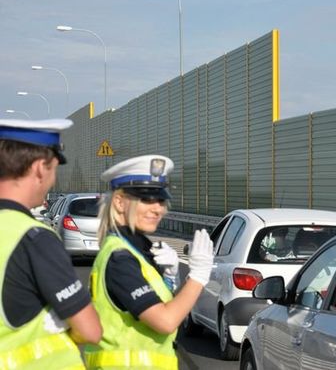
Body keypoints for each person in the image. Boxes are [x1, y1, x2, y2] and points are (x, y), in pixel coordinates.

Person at [83, 154, 214, 369]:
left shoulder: (137, 249)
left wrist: (170, 278)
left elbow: (163, 310)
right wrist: (198, 276)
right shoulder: (120, 258)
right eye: (146, 199)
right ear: (119, 202)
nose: (158, 209)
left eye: (161, 199)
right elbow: (165, 321)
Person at [0, 118, 102, 369]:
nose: (53, 180)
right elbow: (91, 331)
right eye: (54, 168)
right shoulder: (34, 238)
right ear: (38, 168)